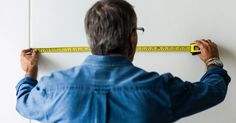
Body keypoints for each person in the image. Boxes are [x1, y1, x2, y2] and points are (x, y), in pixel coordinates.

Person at [16, 0, 230, 123]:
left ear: (90, 37)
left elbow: (23, 102)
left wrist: (30, 71)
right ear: (132, 38)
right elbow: (213, 91)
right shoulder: (158, 89)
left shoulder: (53, 88)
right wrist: (212, 61)